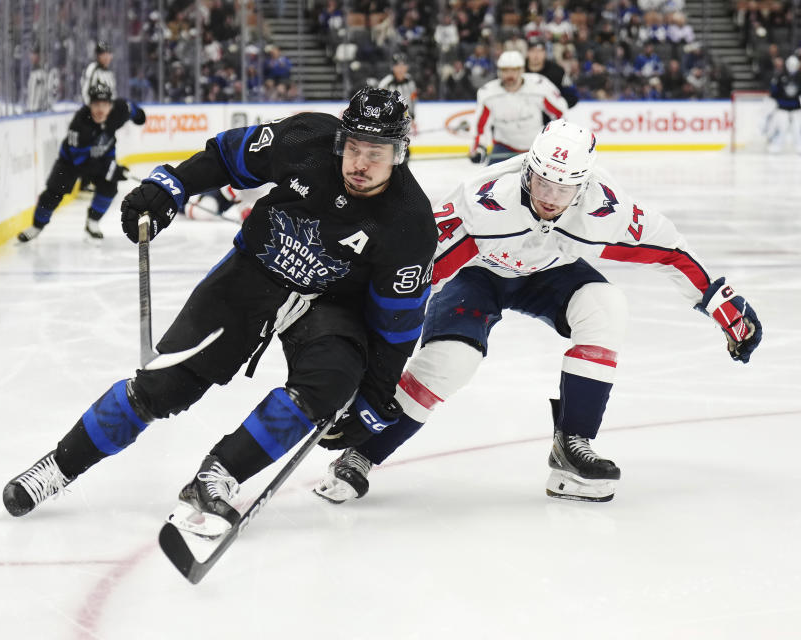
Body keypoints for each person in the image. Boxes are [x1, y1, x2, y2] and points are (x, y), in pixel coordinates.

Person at [1, 88, 437, 539]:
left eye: (376, 153)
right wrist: (169, 186)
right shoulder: (305, 137)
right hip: (251, 276)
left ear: (400, 153)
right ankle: (58, 465)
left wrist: (372, 395)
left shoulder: (411, 222)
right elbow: (229, 156)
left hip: (329, 303)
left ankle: (216, 479)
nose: (360, 163)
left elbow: (397, 324)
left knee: (331, 381)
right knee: (163, 387)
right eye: (353, 147)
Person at [314, 120, 763, 505]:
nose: (549, 197)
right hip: (480, 274)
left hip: (552, 274)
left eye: (563, 188)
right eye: (543, 182)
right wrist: (364, 345)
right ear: (528, 171)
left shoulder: (605, 210)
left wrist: (720, 302)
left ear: (583, 186)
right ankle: (361, 452)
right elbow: (416, 273)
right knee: (451, 362)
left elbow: (670, 251)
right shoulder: (483, 201)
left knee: (606, 308)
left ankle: (573, 443)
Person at [17, 84, 146, 242]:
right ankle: (36, 226)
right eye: (96, 105)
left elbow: (132, 109)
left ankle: (92, 222)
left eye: (104, 105)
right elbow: (83, 163)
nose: (100, 110)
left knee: (109, 187)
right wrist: (112, 170)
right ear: (89, 104)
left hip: (103, 156)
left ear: (110, 105)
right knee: (53, 192)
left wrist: (139, 116)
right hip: (71, 162)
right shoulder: (80, 125)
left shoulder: (119, 109)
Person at [470, 50, 567, 165]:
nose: (510, 74)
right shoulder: (488, 94)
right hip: (504, 147)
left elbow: (560, 114)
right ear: (499, 72)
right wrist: (479, 147)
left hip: (535, 147)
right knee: (489, 182)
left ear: (522, 70)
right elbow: (481, 126)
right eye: (505, 70)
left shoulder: (539, 86)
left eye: (514, 70)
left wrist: (555, 140)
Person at [525, 39, 578, 107]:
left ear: (545, 53)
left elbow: (572, 95)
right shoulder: (519, 70)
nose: (536, 55)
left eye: (540, 51)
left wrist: (559, 106)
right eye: (532, 51)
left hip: (551, 114)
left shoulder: (557, 71)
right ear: (527, 53)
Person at [767, 55, 801, 154]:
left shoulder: (799, 77)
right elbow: (773, 93)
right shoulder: (780, 76)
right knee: (781, 128)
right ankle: (777, 145)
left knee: (797, 129)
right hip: (782, 108)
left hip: (796, 109)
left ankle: (799, 145)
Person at [379, 53, 418, 131]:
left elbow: (413, 100)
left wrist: (412, 118)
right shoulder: (385, 84)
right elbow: (380, 104)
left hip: (406, 122)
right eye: (398, 65)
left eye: (403, 65)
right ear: (392, 67)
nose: (401, 69)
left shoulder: (410, 81)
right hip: (389, 123)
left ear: (407, 67)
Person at [80, 41, 116, 105]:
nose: (106, 57)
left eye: (108, 54)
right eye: (103, 54)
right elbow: (85, 92)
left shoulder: (110, 74)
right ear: (98, 56)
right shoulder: (92, 69)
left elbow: (113, 94)